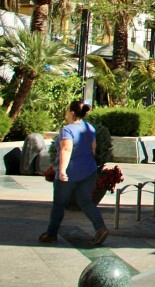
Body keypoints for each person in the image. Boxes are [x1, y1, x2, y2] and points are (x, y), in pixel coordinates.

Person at [39, 100, 108, 245]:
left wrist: (62, 170)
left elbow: (66, 149)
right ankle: (100, 228)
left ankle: (51, 234)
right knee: (85, 202)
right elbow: (93, 149)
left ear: (71, 112)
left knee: (59, 203)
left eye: (66, 110)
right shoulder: (89, 128)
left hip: (71, 171)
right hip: (89, 171)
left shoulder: (68, 130)